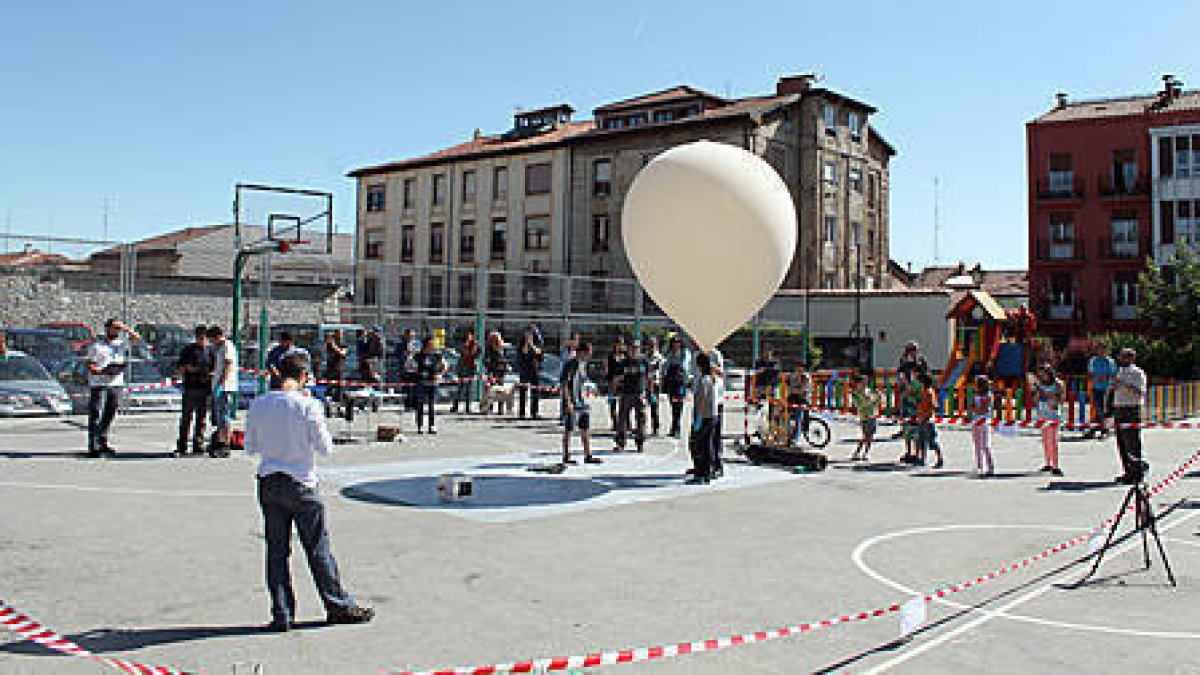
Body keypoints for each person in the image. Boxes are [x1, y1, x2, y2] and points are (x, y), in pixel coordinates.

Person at [244, 354, 375, 632]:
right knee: (317, 548)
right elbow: (325, 448)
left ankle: (282, 612)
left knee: (277, 551)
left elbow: (250, 447)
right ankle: (336, 604)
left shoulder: (259, 404)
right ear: (303, 376)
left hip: (269, 479)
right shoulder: (307, 405)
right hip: (301, 481)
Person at [84, 318, 141, 457]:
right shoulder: (97, 345)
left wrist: (125, 327)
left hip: (115, 383)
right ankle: (94, 446)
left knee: (109, 414)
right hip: (99, 384)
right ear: (107, 328)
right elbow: (89, 363)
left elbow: (137, 337)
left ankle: (103, 442)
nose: (117, 331)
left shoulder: (121, 344)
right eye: (114, 328)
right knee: (96, 414)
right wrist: (98, 371)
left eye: (118, 328)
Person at [560, 342, 602, 466]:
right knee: (569, 429)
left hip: (582, 401)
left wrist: (592, 390)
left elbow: (584, 381)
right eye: (588, 353)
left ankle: (588, 455)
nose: (589, 356)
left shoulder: (583, 365)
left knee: (585, 428)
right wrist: (568, 402)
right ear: (581, 352)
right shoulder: (570, 365)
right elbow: (564, 384)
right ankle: (566, 456)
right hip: (572, 401)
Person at [1110, 348, 1148, 485]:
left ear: (1131, 358)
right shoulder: (1119, 372)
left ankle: (1137, 472)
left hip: (1131, 408)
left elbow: (1140, 392)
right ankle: (1127, 471)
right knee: (1122, 442)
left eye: (1125, 357)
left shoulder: (1137, 373)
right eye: (1121, 357)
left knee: (1132, 441)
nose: (1122, 359)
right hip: (1119, 407)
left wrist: (1123, 385)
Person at [174, 325, 213, 457]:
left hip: (205, 388)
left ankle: (198, 444)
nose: (201, 339)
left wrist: (211, 375)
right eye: (199, 337)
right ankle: (182, 445)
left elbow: (215, 368)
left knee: (201, 419)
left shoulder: (210, 351)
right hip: (191, 387)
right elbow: (180, 367)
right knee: (186, 418)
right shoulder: (189, 350)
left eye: (203, 337)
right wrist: (186, 369)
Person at [687, 353, 719, 485]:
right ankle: (706, 471)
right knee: (707, 445)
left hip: (705, 416)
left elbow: (702, 399)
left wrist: (698, 418)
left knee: (698, 445)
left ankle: (702, 472)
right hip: (711, 415)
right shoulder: (710, 378)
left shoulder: (704, 379)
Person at [614, 340, 650, 453]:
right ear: (628, 349)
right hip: (626, 393)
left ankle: (640, 443)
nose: (634, 350)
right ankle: (621, 442)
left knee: (641, 418)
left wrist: (650, 392)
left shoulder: (644, 361)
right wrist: (614, 391)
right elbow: (616, 378)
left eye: (636, 348)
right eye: (632, 348)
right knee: (623, 419)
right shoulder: (623, 363)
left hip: (639, 393)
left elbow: (649, 377)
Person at [208, 325, 238, 458]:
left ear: (218, 336)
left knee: (224, 417)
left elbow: (228, 365)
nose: (211, 342)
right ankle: (220, 441)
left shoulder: (227, 346)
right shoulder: (220, 348)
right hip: (219, 386)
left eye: (211, 339)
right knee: (219, 417)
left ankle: (224, 443)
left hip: (226, 387)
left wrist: (221, 383)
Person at [1034, 364, 1065, 477]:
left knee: (1053, 441)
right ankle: (1048, 463)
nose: (1043, 376)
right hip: (1043, 413)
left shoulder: (1057, 383)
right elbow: (1036, 399)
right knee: (1045, 440)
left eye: (1044, 373)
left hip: (1053, 413)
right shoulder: (1040, 384)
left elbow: (1061, 398)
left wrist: (1051, 396)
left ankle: (1056, 466)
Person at [413, 337, 445, 434]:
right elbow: (410, 365)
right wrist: (418, 373)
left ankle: (432, 425)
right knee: (420, 404)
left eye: (433, 344)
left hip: (433, 383)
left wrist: (439, 374)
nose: (432, 346)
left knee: (431, 405)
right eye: (430, 344)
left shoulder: (437, 356)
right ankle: (420, 425)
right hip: (421, 383)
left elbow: (444, 365)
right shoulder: (418, 356)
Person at [1084, 344, 1117, 440]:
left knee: (1105, 409)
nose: (1101, 352)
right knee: (1097, 408)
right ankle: (1098, 428)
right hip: (1096, 387)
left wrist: (1105, 377)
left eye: (1103, 350)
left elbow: (1114, 375)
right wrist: (1094, 377)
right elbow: (1089, 373)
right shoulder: (1093, 361)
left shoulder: (1110, 361)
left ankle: (1104, 430)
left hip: (1107, 388)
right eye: (1099, 350)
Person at [915, 371, 944, 469]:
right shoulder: (923, 391)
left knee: (932, 441)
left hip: (928, 420)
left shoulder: (929, 392)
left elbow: (933, 406)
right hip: (922, 419)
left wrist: (925, 415)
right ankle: (922, 459)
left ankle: (940, 459)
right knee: (921, 440)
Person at [662, 337, 690, 437]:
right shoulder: (669, 355)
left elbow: (685, 367)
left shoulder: (684, 354)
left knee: (679, 405)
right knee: (673, 406)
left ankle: (676, 427)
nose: (676, 345)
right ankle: (674, 427)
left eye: (678, 342)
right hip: (671, 384)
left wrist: (686, 382)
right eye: (674, 343)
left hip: (680, 384)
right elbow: (665, 367)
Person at [851, 374, 880, 461]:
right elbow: (859, 406)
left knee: (870, 436)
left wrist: (877, 398)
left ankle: (866, 453)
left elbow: (875, 401)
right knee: (865, 435)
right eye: (862, 382)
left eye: (865, 382)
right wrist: (869, 401)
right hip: (864, 416)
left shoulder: (869, 391)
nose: (864, 384)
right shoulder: (855, 394)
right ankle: (857, 452)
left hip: (872, 414)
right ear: (858, 383)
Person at [515, 329, 544, 419]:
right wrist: (527, 343)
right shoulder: (522, 342)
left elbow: (538, 352)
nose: (529, 336)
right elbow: (524, 351)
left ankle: (534, 412)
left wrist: (531, 344)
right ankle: (522, 412)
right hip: (524, 368)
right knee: (523, 390)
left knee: (535, 391)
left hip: (534, 368)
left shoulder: (538, 341)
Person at [971, 374, 995, 477]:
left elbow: (983, 409)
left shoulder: (988, 395)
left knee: (986, 445)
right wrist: (975, 409)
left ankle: (990, 467)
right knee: (977, 445)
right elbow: (971, 406)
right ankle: (979, 467)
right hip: (976, 421)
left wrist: (975, 409)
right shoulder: (975, 394)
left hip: (985, 421)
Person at [451, 331, 481, 414]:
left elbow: (477, 355)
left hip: (470, 369)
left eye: (471, 336)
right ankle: (455, 406)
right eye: (468, 336)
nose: (469, 338)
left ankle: (468, 407)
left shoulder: (476, 346)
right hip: (462, 369)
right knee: (460, 389)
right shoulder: (463, 345)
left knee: (469, 389)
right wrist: (466, 345)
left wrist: (474, 350)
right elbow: (462, 354)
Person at [786, 362, 813, 446]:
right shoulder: (792, 376)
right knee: (786, 415)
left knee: (799, 416)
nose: (798, 370)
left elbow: (803, 390)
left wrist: (795, 389)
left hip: (803, 399)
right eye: (797, 369)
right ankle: (787, 434)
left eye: (800, 369)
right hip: (793, 398)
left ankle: (796, 438)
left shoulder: (806, 377)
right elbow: (790, 388)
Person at [605, 337, 627, 431]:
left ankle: (625, 424)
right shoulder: (611, 356)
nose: (619, 345)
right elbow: (608, 370)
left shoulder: (626, 356)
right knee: (612, 403)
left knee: (624, 404)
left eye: (621, 343)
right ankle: (614, 422)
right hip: (612, 382)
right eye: (618, 343)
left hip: (624, 382)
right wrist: (611, 382)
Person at [644, 336, 665, 436]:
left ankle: (655, 427)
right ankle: (642, 427)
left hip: (655, 384)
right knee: (642, 407)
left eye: (653, 345)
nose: (651, 347)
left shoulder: (659, 358)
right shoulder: (645, 357)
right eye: (650, 345)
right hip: (645, 384)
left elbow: (660, 372)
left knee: (654, 407)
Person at [322, 330, 348, 402]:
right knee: (329, 385)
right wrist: (327, 342)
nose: (339, 336)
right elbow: (323, 350)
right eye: (338, 334)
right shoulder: (330, 343)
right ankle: (328, 400)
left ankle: (340, 401)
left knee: (339, 386)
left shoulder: (343, 344)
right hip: (330, 368)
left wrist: (335, 347)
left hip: (339, 368)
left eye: (341, 334)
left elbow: (343, 353)